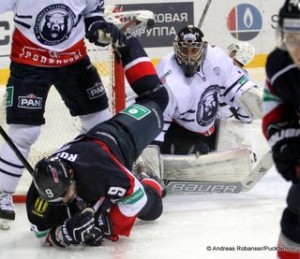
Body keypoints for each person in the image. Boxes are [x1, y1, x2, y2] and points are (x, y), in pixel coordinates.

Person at [25, 36, 169, 247]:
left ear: (72, 175)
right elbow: (41, 232)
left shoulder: (95, 167)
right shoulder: (43, 187)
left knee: (157, 98)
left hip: (120, 137)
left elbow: (135, 197)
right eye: (56, 200)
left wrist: (106, 227)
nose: (62, 201)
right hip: (97, 175)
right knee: (149, 209)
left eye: (65, 195)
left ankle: (127, 41)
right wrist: (61, 234)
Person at [0, 0, 128, 230]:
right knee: (24, 132)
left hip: (74, 62)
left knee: (100, 124)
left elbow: (93, 14)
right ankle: (2, 193)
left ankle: (89, 181)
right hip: (30, 63)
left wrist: (99, 28)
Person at [153, 25, 261, 155]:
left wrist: (252, 98)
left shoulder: (217, 59)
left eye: (194, 50)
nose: (189, 56)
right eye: (184, 50)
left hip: (207, 128)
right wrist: (153, 154)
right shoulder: (167, 75)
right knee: (200, 150)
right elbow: (158, 120)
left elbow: (239, 88)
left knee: (232, 134)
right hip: (177, 130)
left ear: (202, 49)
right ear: (176, 49)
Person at [262, 1, 300, 257]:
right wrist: (286, 145)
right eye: (290, 40)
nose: (296, 50)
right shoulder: (281, 67)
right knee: (295, 214)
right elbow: (274, 116)